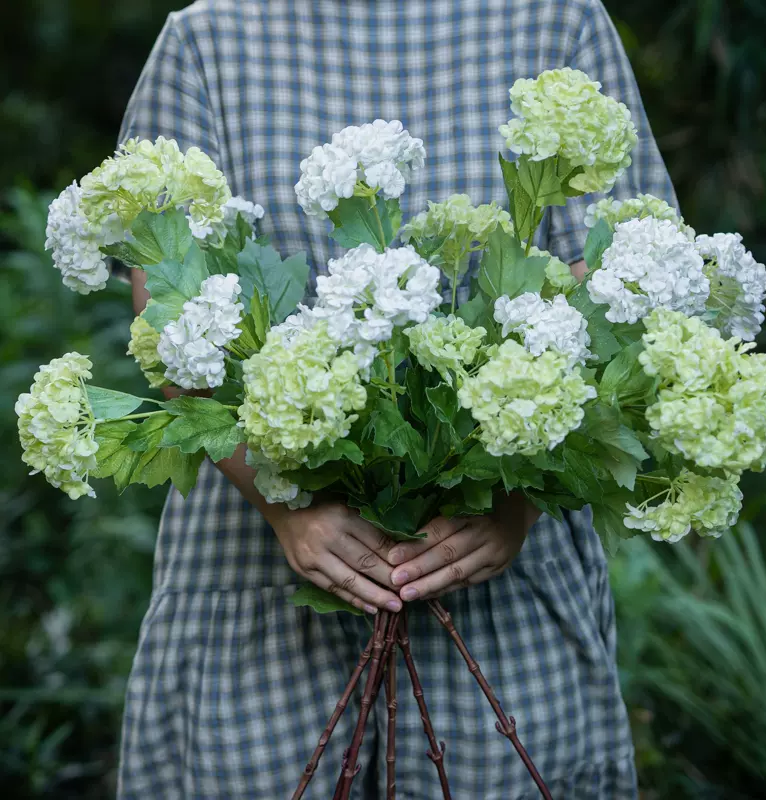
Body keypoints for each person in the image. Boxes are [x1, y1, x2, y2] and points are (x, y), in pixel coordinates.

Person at [118, 1, 676, 797]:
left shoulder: (559, 19)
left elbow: (628, 273)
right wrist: (284, 509)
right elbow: (164, 308)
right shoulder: (207, 39)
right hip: (261, 577)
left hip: (497, 584)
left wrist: (516, 499)